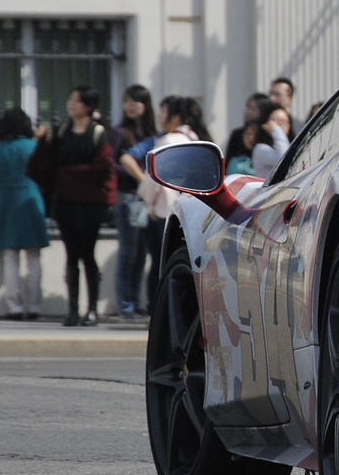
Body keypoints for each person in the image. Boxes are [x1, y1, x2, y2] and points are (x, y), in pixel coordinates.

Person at [27, 86, 116, 327]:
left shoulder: (98, 133)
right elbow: (48, 164)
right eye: (71, 99)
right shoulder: (63, 130)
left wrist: (69, 175)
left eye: (76, 101)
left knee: (88, 255)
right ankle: (73, 310)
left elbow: (103, 167)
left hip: (90, 205)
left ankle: (93, 309)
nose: (71, 104)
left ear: (88, 106)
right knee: (71, 256)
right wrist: (42, 141)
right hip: (66, 203)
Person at [120, 95, 209, 303]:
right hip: (189, 213)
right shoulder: (195, 139)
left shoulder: (168, 141)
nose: (160, 117)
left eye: (163, 112)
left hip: (163, 214)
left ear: (175, 118)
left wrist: (146, 200)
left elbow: (152, 182)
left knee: (160, 266)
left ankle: (156, 311)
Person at [0, 108, 48, 320]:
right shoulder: (34, 147)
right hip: (32, 202)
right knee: (34, 257)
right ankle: (34, 306)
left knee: (10, 257)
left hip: (6, 204)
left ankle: (14, 307)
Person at [112, 84, 156, 321]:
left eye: (136, 101)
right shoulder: (119, 132)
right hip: (128, 197)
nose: (130, 105)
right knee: (128, 252)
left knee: (141, 253)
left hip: (146, 200)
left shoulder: (153, 134)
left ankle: (135, 301)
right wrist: (137, 173)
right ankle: (125, 304)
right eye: (127, 100)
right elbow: (114, 163)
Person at [227, 100, 286, 180]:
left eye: (282, 122)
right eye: (274, 121)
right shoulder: (260, 148)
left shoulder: (284, 144)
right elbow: (284, 160)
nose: (278, 125)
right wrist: (276, 130)